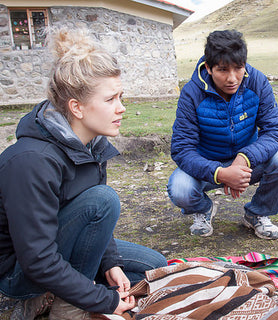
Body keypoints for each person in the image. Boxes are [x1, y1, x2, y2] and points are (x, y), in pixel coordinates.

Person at [0, 28, 167, 320]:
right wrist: (102, 301)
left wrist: (110, 263)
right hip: (16, 276)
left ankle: (66, 289)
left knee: (152, 266)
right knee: (104, 200)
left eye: (121, 97)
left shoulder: (92, 147)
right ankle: (62, 307)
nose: (122, 108)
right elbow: (37, 259)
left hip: (56, 245)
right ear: (76, 107)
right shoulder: (31, 162)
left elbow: (88, 222)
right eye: (110, 99)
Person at [167, 30, 278, 240]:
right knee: (180, 188)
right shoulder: (191, 93)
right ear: (208, 68)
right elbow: (182, 149)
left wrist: (244, 158)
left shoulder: (257, 82)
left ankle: (257, 214)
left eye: (238, 68)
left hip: (247, 162)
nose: (232, 78)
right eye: (223, 70)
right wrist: (220, 173)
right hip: (205, 166)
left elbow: (273, 131)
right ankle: (204, 209)